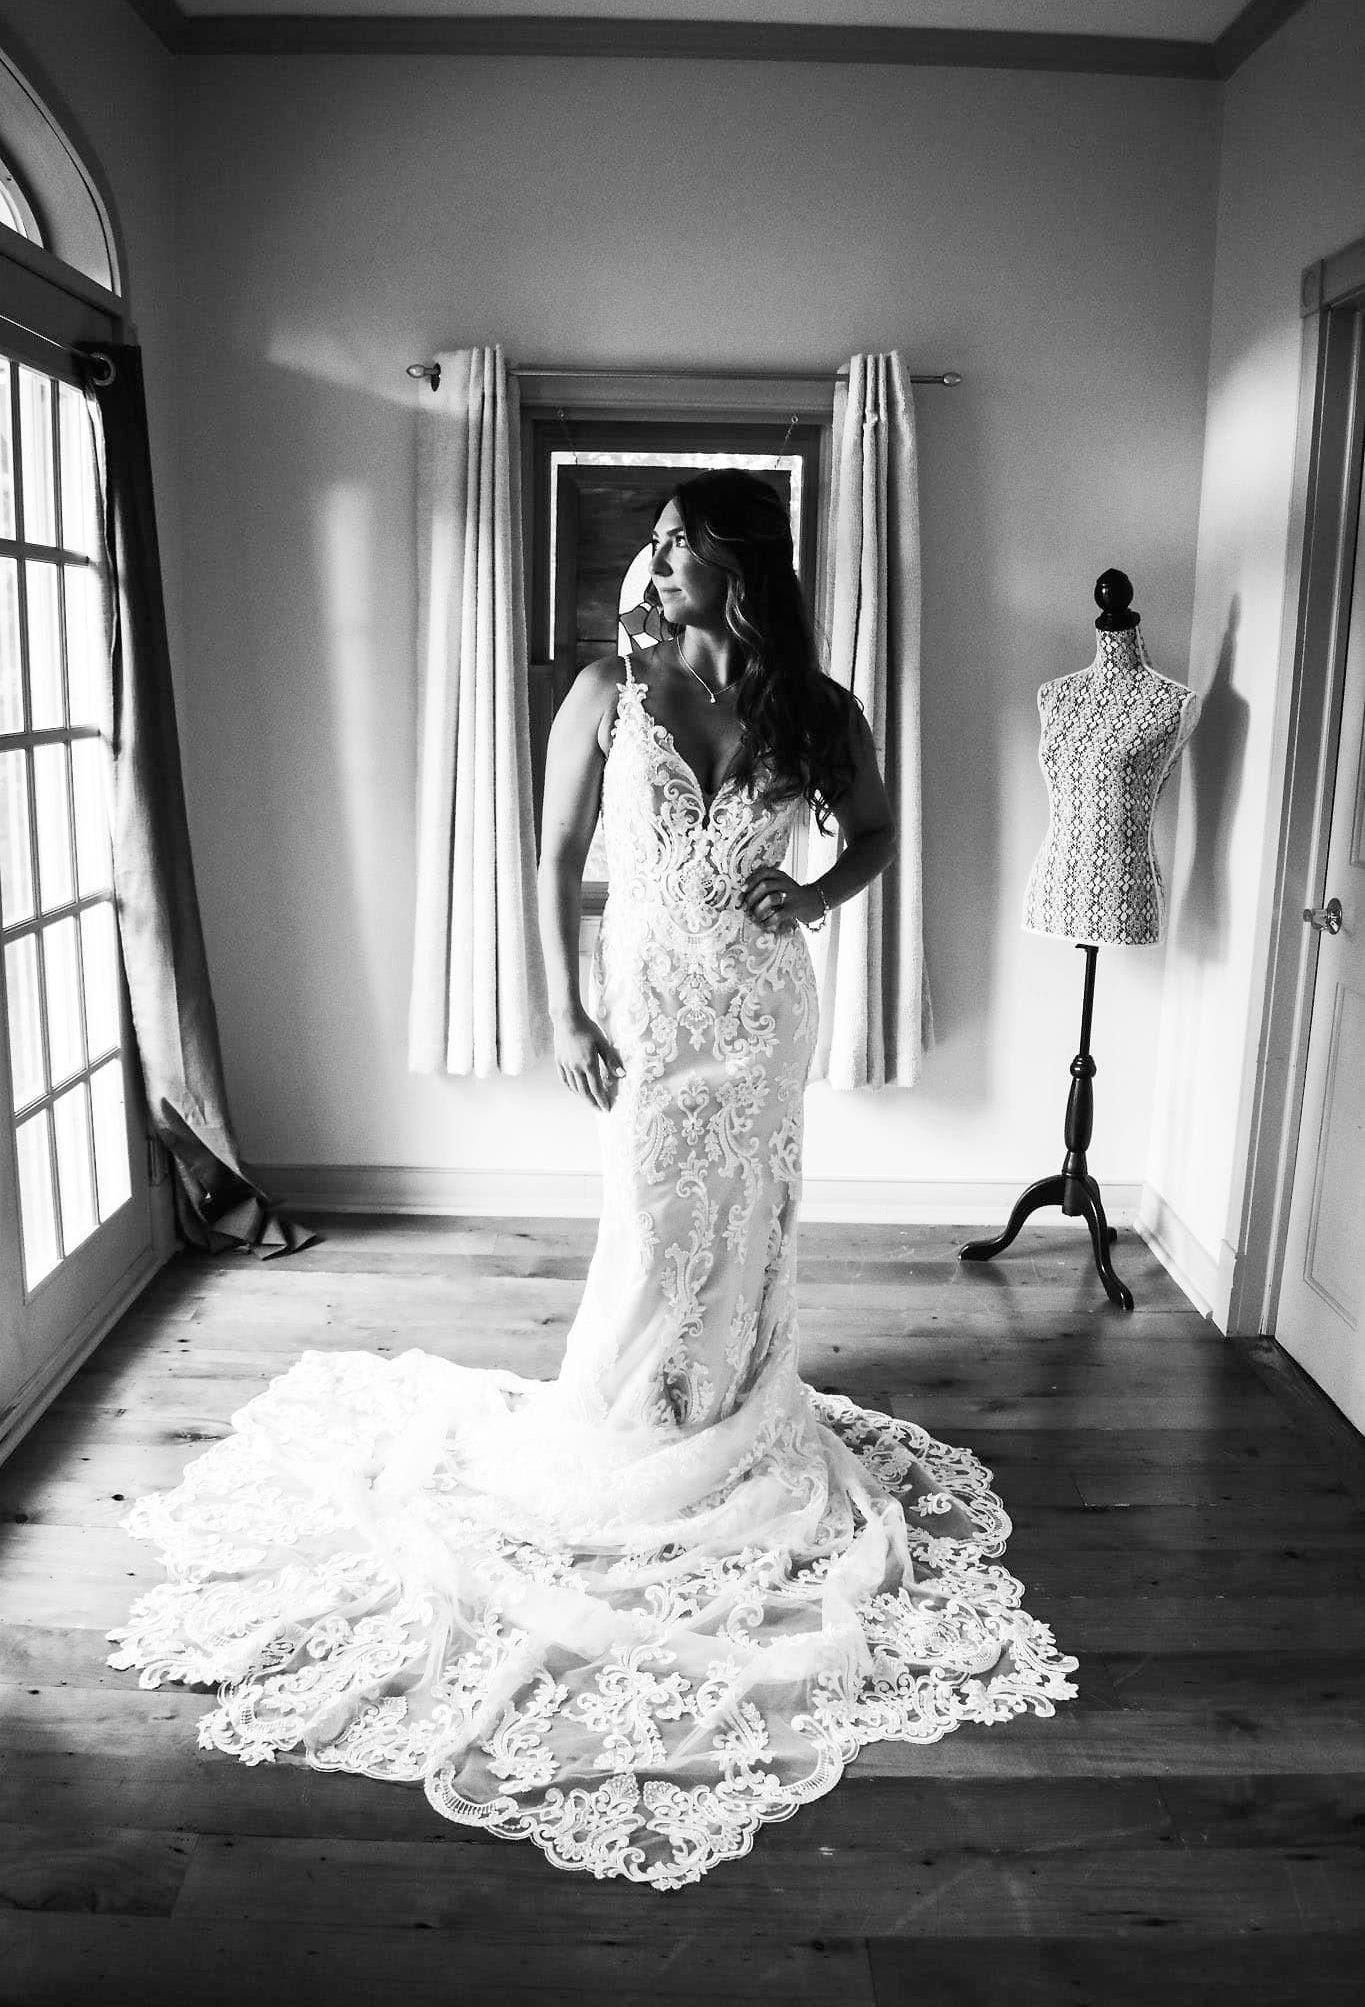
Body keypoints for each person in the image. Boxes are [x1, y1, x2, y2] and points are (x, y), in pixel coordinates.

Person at [106, 472, 1076, 1892]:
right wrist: (564, 1012)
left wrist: (810, 897)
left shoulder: (817, 704)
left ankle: (733, 1398)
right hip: (648, 1006)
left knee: (746, 1217)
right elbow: (553, 859)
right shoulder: (603, 691)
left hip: (759, 1010)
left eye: (688, 541)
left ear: (742, 563)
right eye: (656, 540)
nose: (661, 559)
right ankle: (636, 1417)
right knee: (652, 1217)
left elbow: (868, 832)